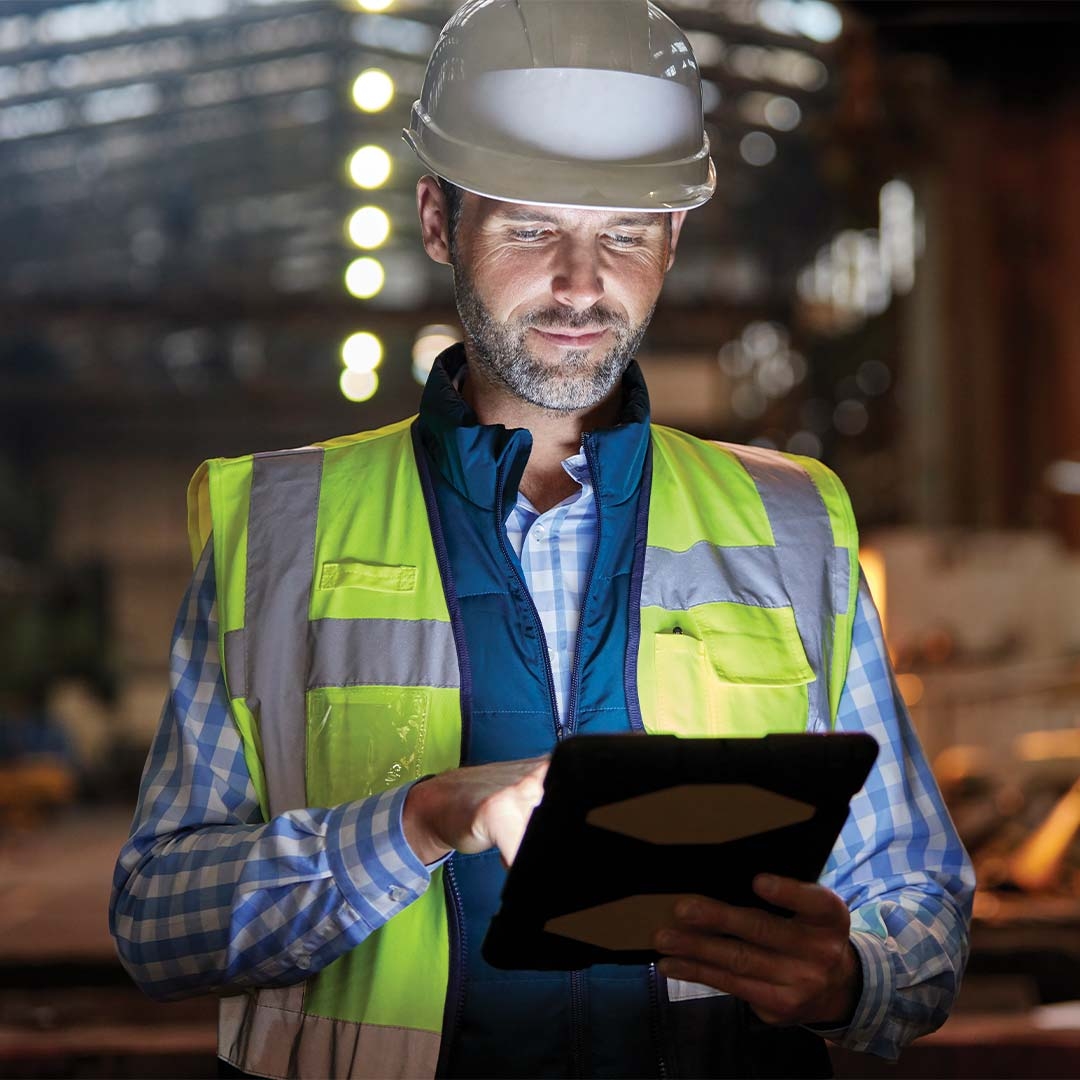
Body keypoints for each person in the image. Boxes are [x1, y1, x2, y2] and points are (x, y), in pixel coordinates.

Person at [110, 2, 973, 1077]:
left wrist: (857, 978)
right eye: (529, 228)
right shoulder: (275, 529)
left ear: (676, 237)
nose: (580, 283)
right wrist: (416, 822)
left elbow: (919, 892)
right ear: (437, 221)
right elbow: (158, 921)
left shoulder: (792, 521)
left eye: (624, 232)